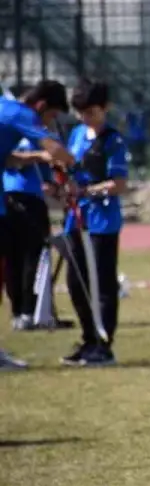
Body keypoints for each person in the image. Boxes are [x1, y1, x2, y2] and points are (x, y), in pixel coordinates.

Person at [0, 80, 74, 370]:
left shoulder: (4, 109)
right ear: (41, 105)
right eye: (51, 115)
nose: (48, 123)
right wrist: (73, 165)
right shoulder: (22, 114)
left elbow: (7, 159)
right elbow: (54, 148)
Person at [60, 81, 129, 367]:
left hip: (102, 222)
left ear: (105, 108)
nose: (85, 118)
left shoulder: (113, 140)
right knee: (75, 282)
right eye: (81, 113)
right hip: (76, 219)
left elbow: (119, 183)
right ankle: (88, 338)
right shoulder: (76, 134)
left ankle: (103, 344)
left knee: (102, 283)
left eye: (91, 112)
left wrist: (88, 191)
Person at [5, 135, 56, 331]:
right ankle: (25, 311)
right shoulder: (27, 134)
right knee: (26, 257)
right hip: (21, 199)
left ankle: (27, 311)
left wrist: (52, 184)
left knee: (22, 258)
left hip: (22, 198)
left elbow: (48, 177)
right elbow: (12, 160)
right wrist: (40, 156)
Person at [124, 93, 149, 177]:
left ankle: (137, 170)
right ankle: (141, 169)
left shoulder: (131, 110)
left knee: (134, 154)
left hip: (133, 136)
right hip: (142, 136)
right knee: (141, 153)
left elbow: (125, 120)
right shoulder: (144, 110)